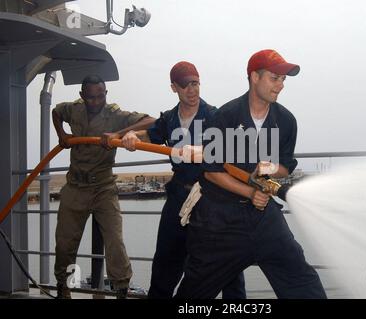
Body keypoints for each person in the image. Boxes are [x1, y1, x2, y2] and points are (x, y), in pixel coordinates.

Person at [175, 50, 327, 299]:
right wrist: (250, 191)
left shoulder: (286, 121)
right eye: (274, 78)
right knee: (194, 293)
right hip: (219, 220)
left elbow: (286, 166)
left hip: (264, 219)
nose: (280, 86)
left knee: (303, 283)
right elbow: (211, 172)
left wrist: (272, 169)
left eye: (283, 80)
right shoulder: (224, 117)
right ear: (254, 77)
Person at [120, 61, 246, 299]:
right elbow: (151, 134)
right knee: (165, 261)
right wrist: (131, 135)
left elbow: (233, 145)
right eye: (186, 85)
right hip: (178, 198)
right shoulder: (169, 120)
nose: (193, 90)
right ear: (173, 88)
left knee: (228, 265)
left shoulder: (216, 116)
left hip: (211, 198)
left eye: (196, 83)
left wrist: (202, 149)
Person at [52, 75, 155, 299]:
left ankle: (121, 289)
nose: (97, 102)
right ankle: (64, 286)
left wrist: (119, 134)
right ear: (82, 96)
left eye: (101, 96)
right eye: (91, 98)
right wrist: (62, 135)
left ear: (106, 94)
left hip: (104, 188)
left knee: (115, 241)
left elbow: (151, 121)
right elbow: (56, 111)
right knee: (65, 243)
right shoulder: (74, 109)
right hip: (75, 186)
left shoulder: (115, 114)